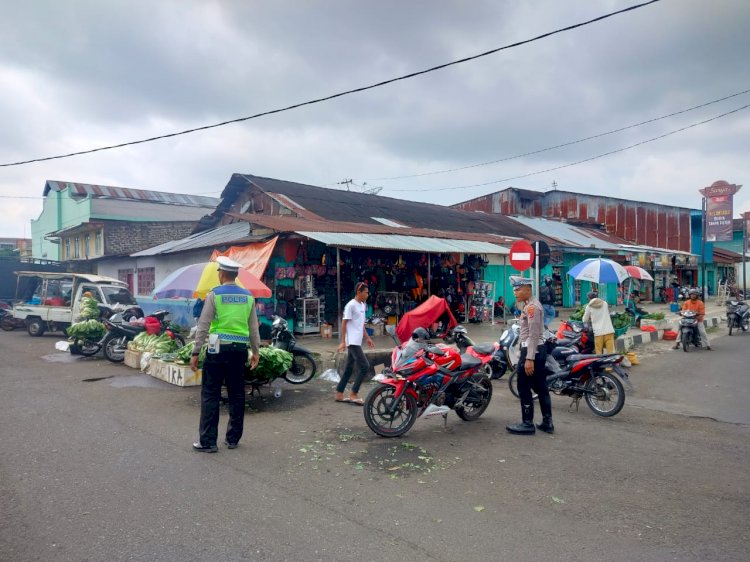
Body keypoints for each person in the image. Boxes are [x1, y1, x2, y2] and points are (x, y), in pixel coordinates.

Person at [190, 257, 260, 452]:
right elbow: (253, 328)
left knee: (211, 394)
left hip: (217, 350)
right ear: (236, 275)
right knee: (237, 394)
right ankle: (233, 439)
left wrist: (195, 352)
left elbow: (203, 326)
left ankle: (208, 442)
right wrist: (256, 352)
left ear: (221, 274)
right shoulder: (248, 296)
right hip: (239, 352)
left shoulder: (215, 294)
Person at [506, 276, 554, 435]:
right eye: (514, 289)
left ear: (528, 288)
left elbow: (533, 335)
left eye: (518, 289)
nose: (515, 292)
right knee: (541, 387)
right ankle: (547, 422)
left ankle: (527, 424)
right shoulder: (529, 306)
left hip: (533, 350)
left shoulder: (532, 307)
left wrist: (529, 358)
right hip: (538, 349)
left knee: (524, 387)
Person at [335, 282, 375, 405]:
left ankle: (339, 393)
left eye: (368, 292)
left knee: (348, 368)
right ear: (358, 292)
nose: (367, 295)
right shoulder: (350, 305)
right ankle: (354, 393)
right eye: (366, 292)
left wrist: (367, 337)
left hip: (357, 341)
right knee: (364, 366)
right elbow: (344, 323)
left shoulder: (363, 305)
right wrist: (342, 341)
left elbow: (360, 324)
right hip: (351, 342)